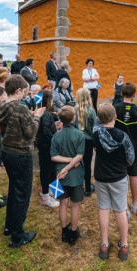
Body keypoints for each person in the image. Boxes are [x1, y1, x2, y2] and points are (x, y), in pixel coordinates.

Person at [0, 75, 45, 248]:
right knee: (22, 194)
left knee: (14, 190)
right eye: (24, 91)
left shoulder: (2, 105)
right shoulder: (21, 108)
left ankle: (10, 225)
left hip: (6, 151)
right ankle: (18, 235)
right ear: (18, 91)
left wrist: (28, 116)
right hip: (20, 154)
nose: (25, 94)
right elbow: (31, 132)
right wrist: (36, 116)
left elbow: (8, 120)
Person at [93, 103, 134, 261]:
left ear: (98, 118)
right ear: (115, 117)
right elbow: (130, 159)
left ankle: (104, 243)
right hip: (118, 177)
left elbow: (97, 122)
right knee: (120, 210)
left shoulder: (96, 133)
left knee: (104, 209)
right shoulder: (122, 136)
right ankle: (123, 245)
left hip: (101, 176)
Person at [50, 106, 85, 246]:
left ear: (60, 119)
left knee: (63, 204)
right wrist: (72, 160)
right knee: (75, 205)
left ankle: (64, 231)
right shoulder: (80, 135)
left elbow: (53, 156)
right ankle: (73, 232)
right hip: (76, 176)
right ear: (74, 118)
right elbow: (80, 156)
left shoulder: (56, 135)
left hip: (59, 175)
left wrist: (65, 166)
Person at [114, 83, 137, 216]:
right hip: (133, 147)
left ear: (121, 94)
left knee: (121, 177)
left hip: (118, 148)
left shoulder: (115, 108)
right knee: (134, 175)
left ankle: (123, 206)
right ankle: (134, 203)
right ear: (134, 95)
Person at [35, 90, 60, 208]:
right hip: (47, 147)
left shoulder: (42, 113)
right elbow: (45, 132)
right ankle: (45, 196)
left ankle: (53, 190)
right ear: (47, 100)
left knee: (52, 169)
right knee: (46, 171)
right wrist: (55, 138)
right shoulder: (46, 114)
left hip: (44, 146)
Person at [74, 88, 97, 197]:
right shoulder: (91, 112)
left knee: (76, 164)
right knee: (87, 165)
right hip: (88, 142)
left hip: (76, 141)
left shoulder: (73, 110)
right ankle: (87, 188)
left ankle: (77, 188)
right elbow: (94, 129)